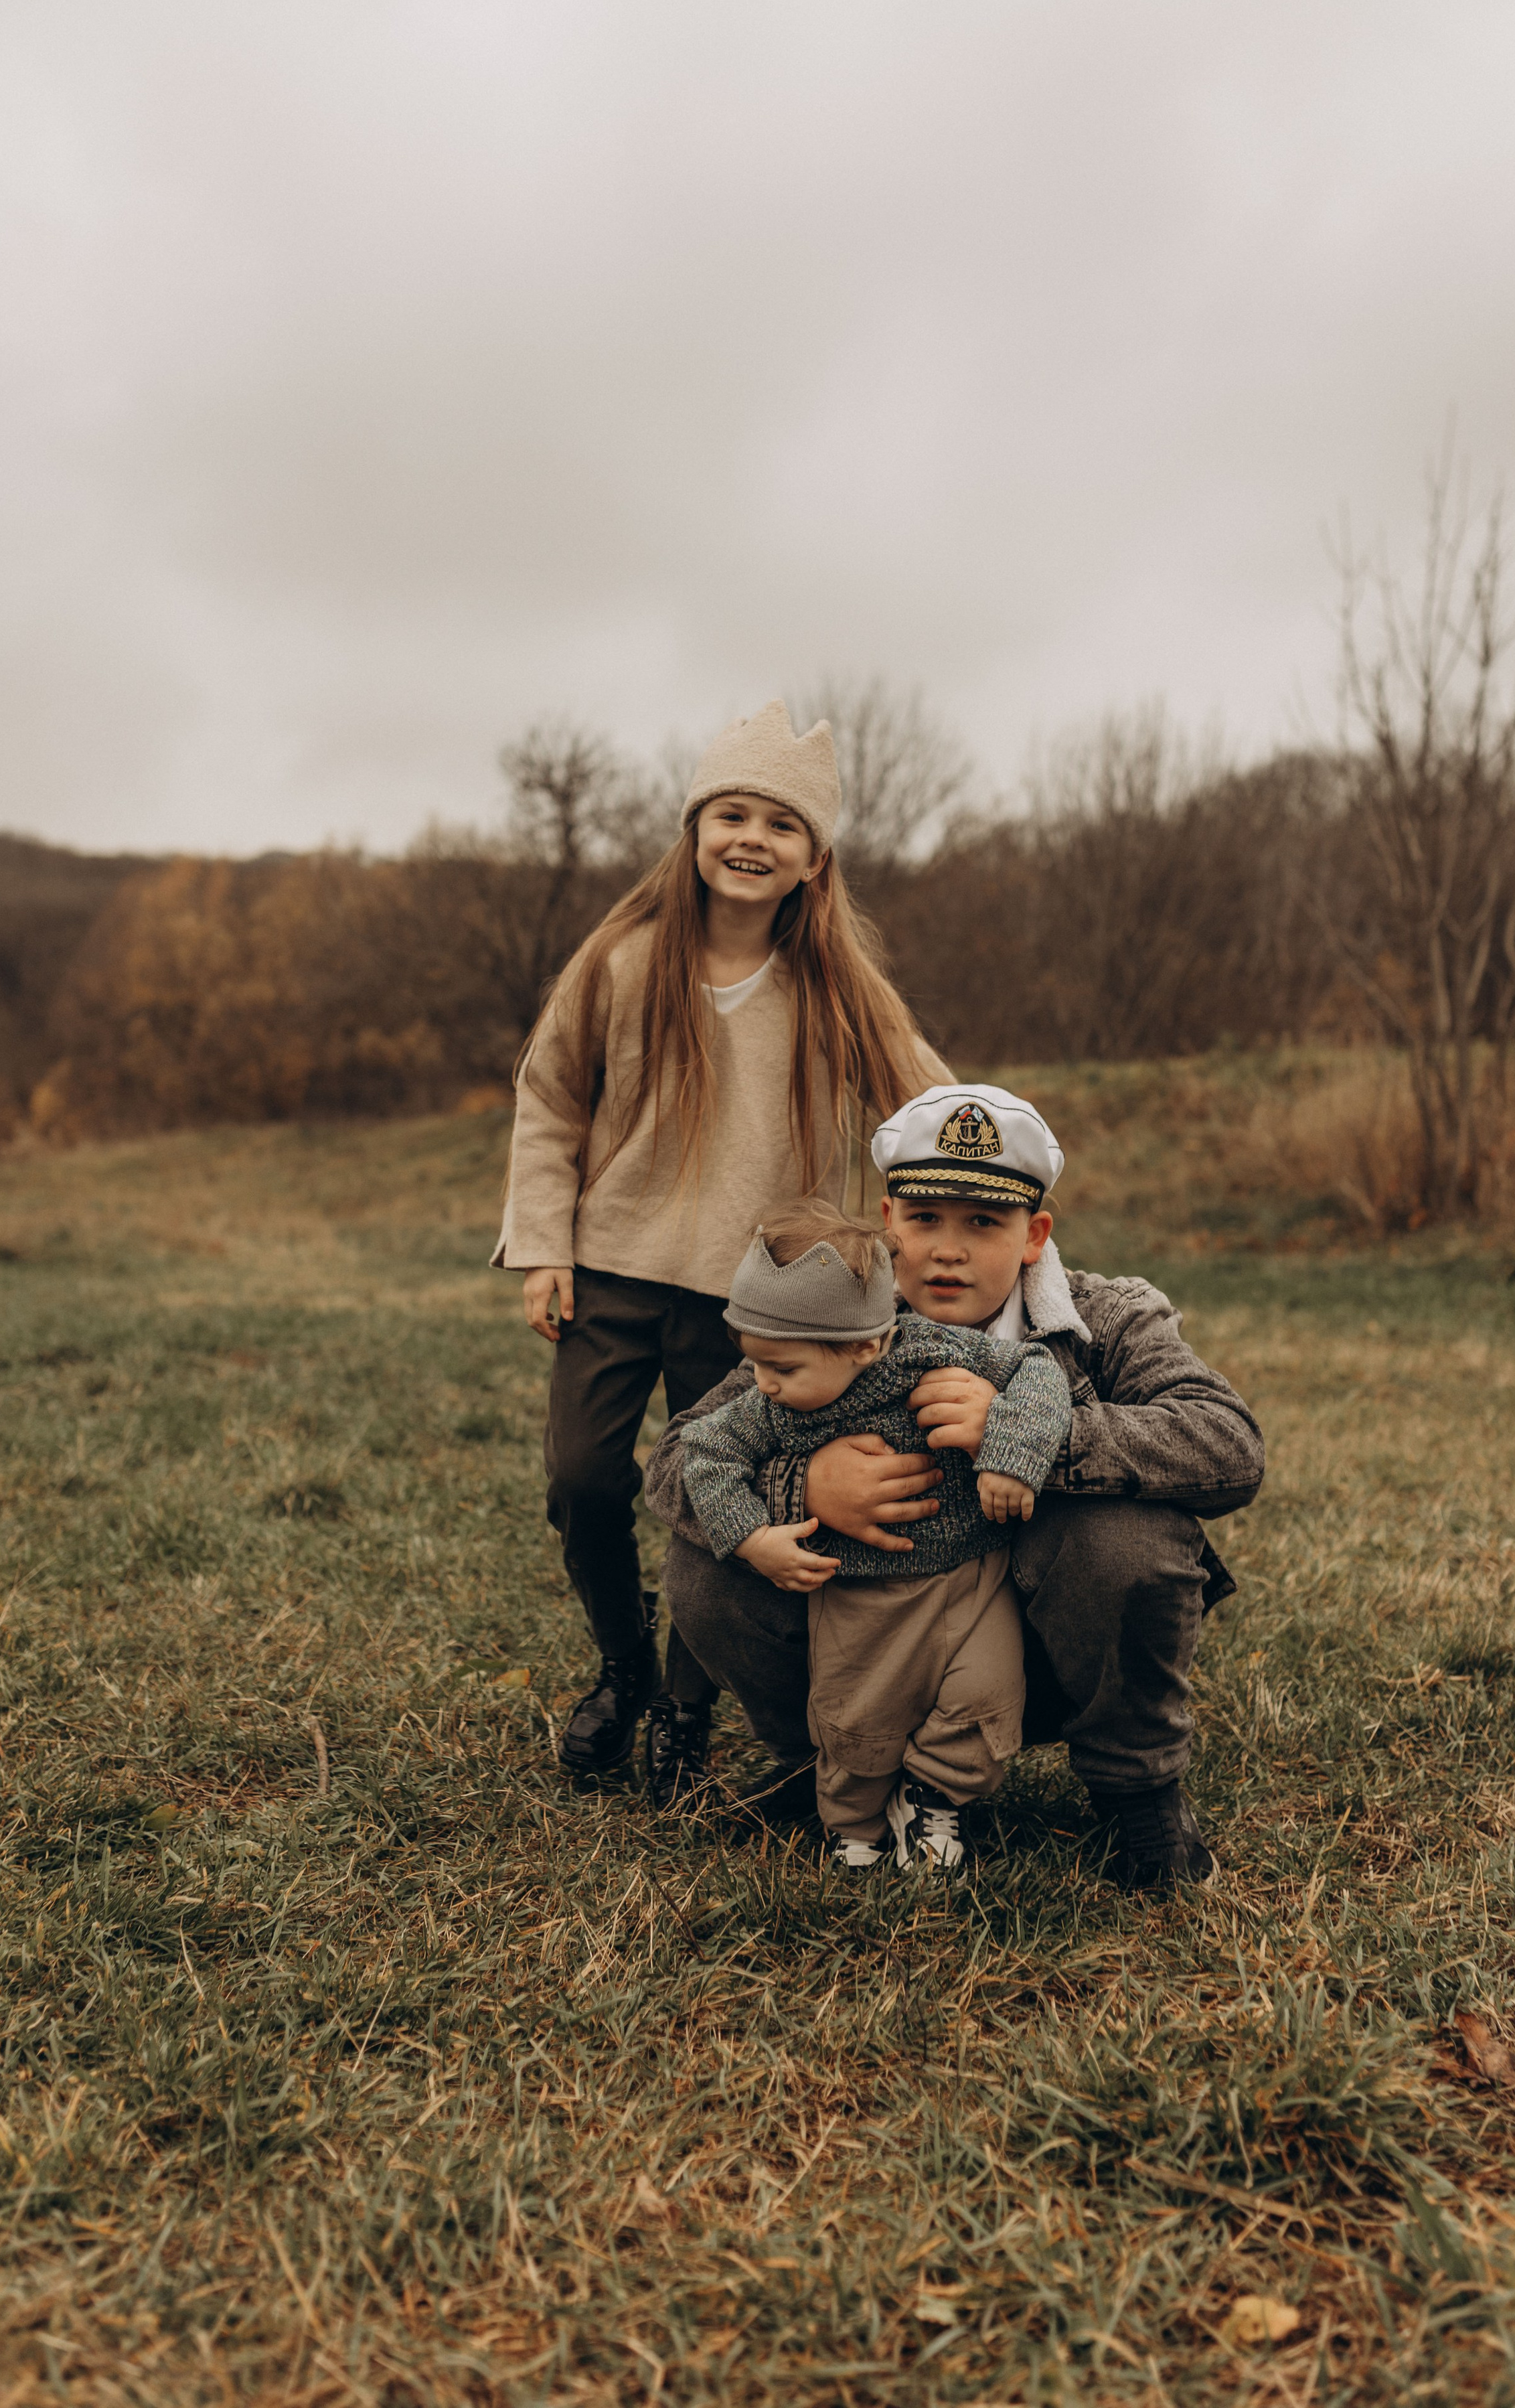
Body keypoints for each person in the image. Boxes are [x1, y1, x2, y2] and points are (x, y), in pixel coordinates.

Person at [643, 1084, 1265, 1890]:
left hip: (1044, 1652)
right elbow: (675, 1459)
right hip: (863, 1641)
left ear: (1034, 1235)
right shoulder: (827, 1312)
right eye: (925, 1218)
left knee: (1122, 1543)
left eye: (983, 1223)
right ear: (887, 1223)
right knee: (707, 1562)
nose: (947, 1251)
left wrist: (1032, 1439)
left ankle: (1136, 1789)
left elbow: (1228, 1445)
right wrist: (805, 1488)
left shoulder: (1107, 1317)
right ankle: (824, 1763)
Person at [492, 701, 952, 1781]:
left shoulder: (837, 989)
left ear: (814, 859)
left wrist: (984, 1189)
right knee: (582, 1480)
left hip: (763, 1299)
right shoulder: (620, 961)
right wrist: (545, 1245)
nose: (753, 839)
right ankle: (624, 1667)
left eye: (783, 825)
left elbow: (928, 1106)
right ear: (695, 829)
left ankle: (685, 1707)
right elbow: (550, 1104)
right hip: (611, 1269)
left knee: (717, 1493)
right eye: (733, 815)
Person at [680, 1201, 1071, 1870]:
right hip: (858, 1596)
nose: (763, 1383)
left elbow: (1036, 1369)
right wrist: (751, 1537)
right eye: (754, 1362)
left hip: (973, 1581)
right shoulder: (770, 1408)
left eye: (782, 1369)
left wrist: (1011, 1453)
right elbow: (703, 1451)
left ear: (865, 1345)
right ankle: (854, 1826)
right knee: (855, 1719)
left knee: (985, 1696)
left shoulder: (932, 1349)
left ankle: (934, 1798)